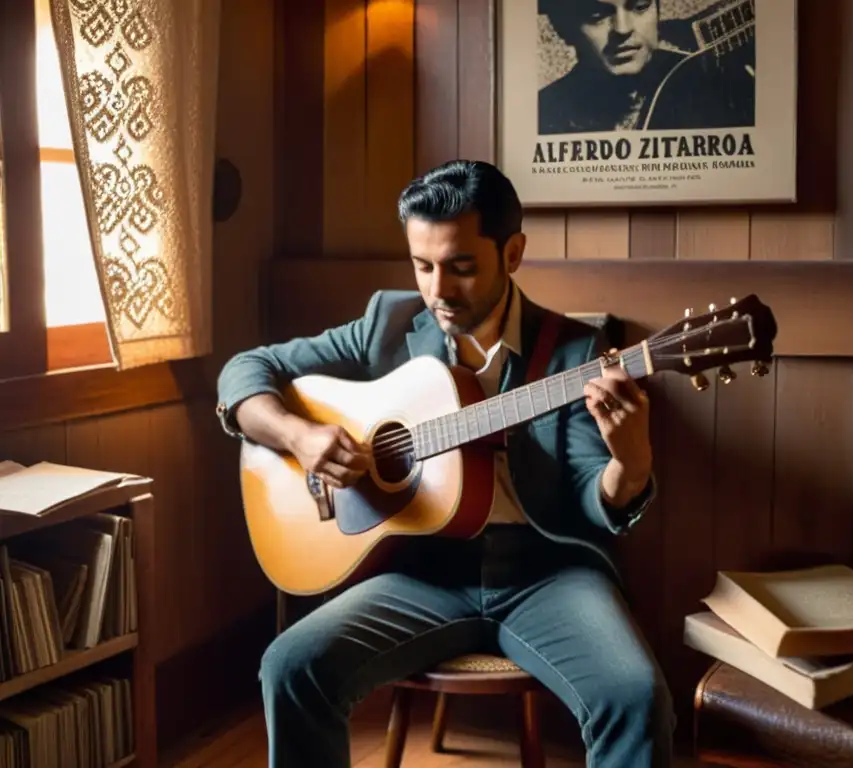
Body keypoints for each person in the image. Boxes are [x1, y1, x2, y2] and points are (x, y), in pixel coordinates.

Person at [215, 159, 674, 766]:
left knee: (635, 697)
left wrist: (631, 463)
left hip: (545, 574)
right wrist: (298, 435)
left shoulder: (573, 351)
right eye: (422, 265)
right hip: (419, 574)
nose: (437, 290)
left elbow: (596, 494)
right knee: (290, 667)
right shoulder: (389, 323)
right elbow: (243, 372)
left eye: (460, 267)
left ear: (512, 253)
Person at [538, 0, 755, 134]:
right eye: (596, 15)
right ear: (562, 28)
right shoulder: (543, 114)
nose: (623, 29)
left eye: (640, 6)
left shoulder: (718, 86)